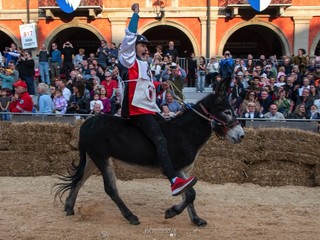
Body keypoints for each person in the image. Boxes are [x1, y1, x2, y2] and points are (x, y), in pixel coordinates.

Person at [118, 3, 197, 196]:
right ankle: (173, 181)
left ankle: (176, 169)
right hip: (136, 109)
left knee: (170, 131)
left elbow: (143, 86)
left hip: (149, 107)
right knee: (160, 139)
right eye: (142, 44)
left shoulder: (144, 65)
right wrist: (136, 15)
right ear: (134, 46)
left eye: (146, 45)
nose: (146, 48)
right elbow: (129, 36)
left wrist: (158, 86)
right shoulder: (127, 58)